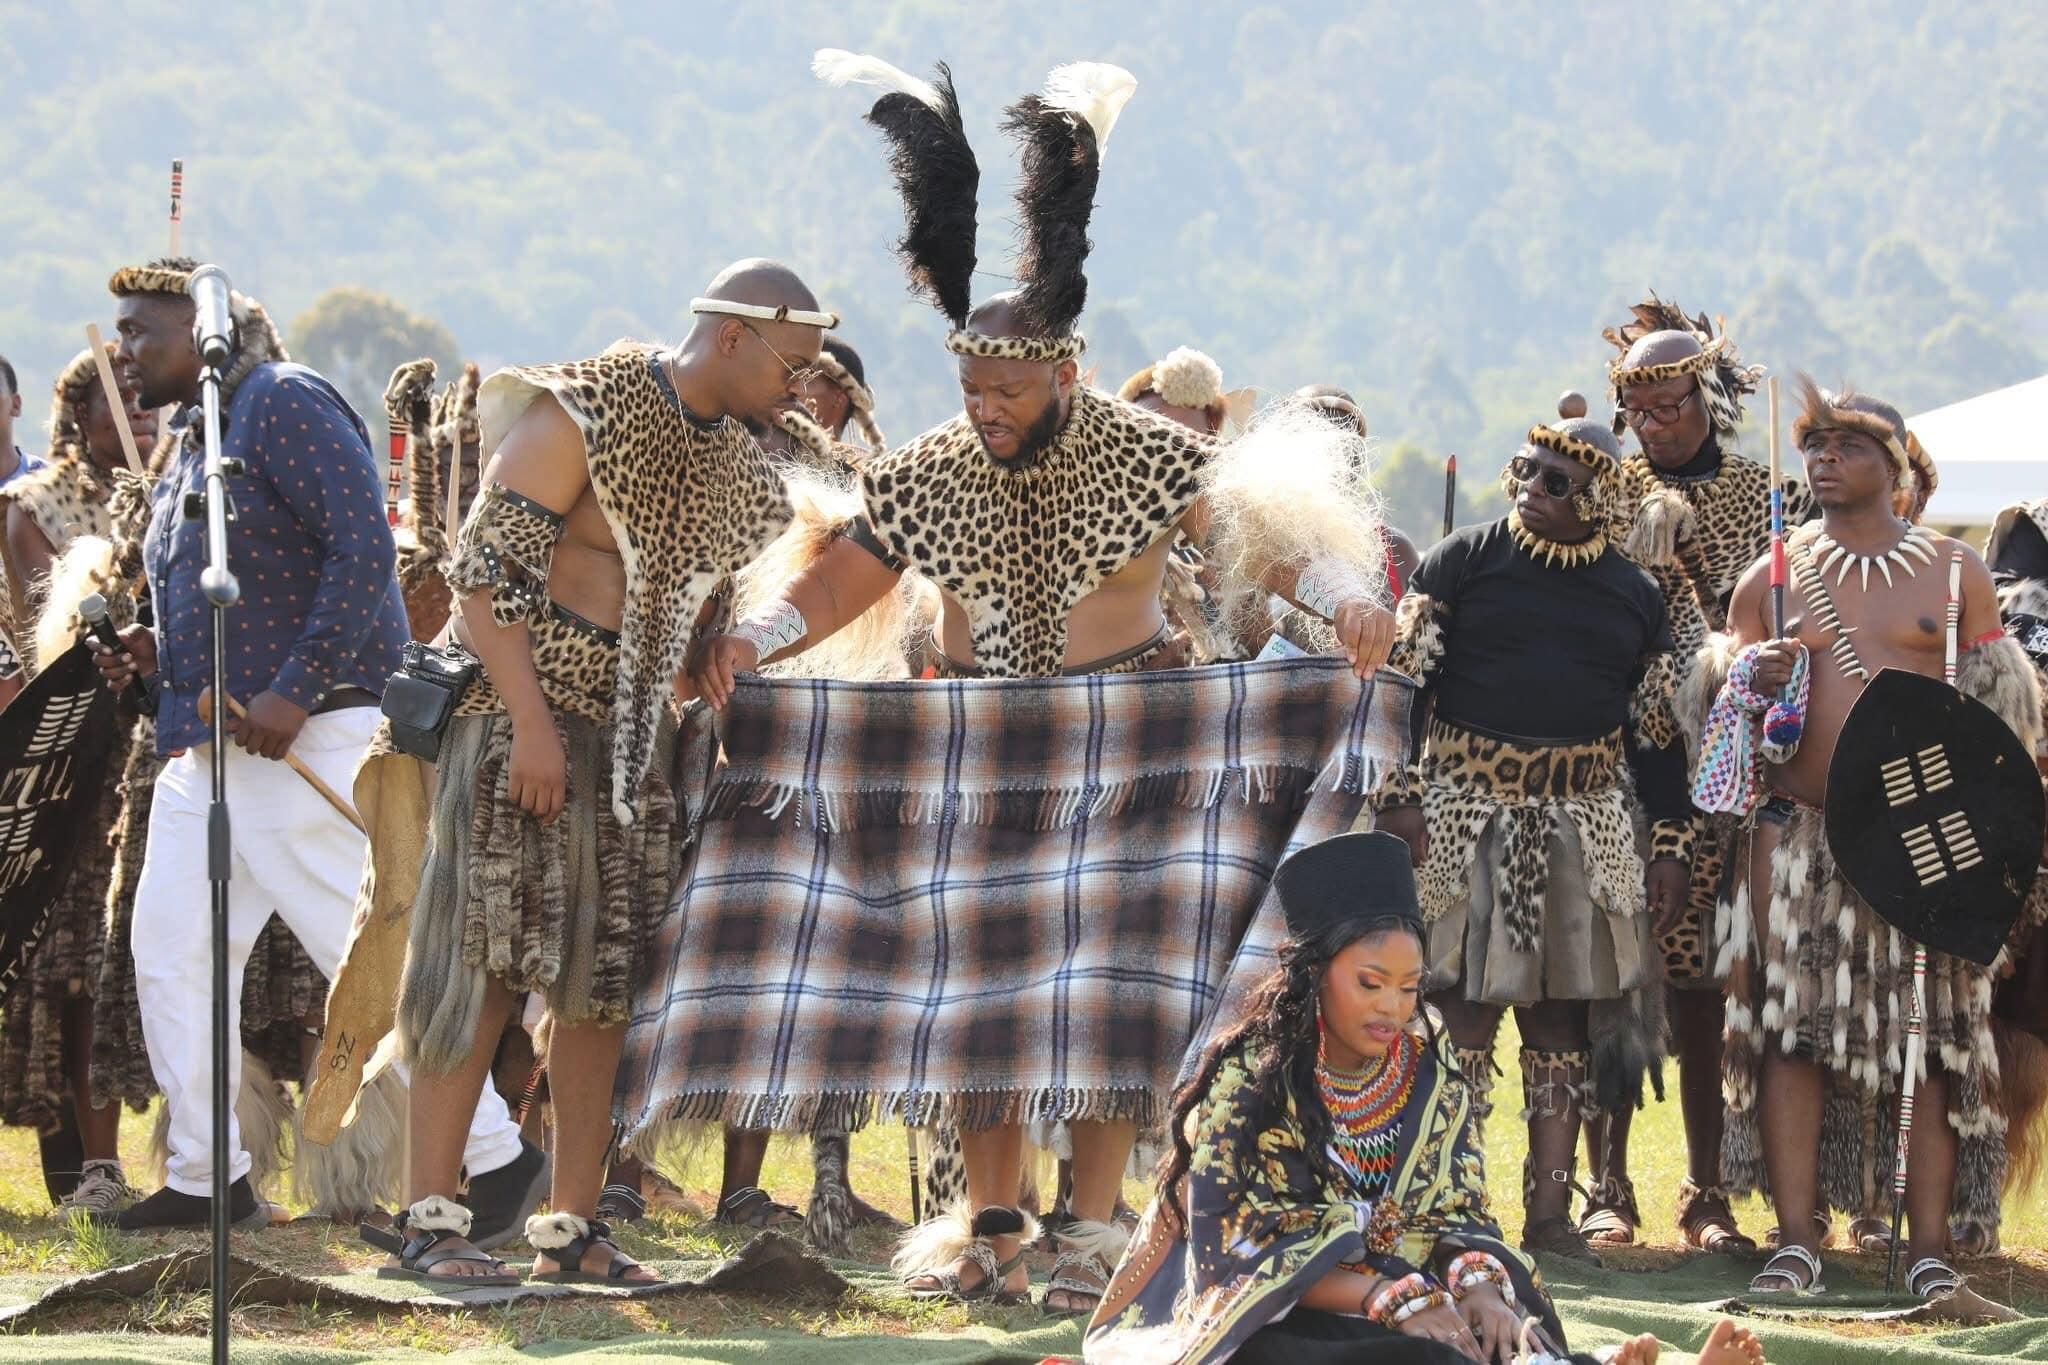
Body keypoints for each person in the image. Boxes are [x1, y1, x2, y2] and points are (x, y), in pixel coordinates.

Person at [680, 52, 1393, 1315]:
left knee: (1108, 992)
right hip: (973, 743)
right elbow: (844, 577)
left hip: (1125, 745)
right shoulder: (933, 465)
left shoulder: (1149, 457)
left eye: (1007, 389)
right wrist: (758, 635)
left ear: (1065, 373)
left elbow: (1260, 546)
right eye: (970, 389)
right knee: (981, 991)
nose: (985, 408)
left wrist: (1342, 596)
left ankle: (1096, 1227)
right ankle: (993, 1218)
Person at [358, 258, 826, 1286]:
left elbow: (687, 621)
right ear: (734, 335)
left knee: (601, 986)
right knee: (480, 963)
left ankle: (570, 1229)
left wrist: (711, 655)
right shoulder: (580, 411)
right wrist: (528, 723)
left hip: (631, 747)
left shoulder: (742, 474)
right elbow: (479, 582)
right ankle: (429, 1220)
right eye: (791, 363)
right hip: (513, 720)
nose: (800, 386)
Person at [86, 257, 532, 1232]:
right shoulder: (195, 439)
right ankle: (208, 1176)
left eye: (138, 330)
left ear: (199, 330)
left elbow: (364, 549)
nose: (123, 351)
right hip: (208, 753)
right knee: (171, 954)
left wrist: (293, 688)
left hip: (309, 737)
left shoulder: (283, 402)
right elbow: (236, 595)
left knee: (367, 958)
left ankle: (499, 1161)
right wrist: (153, 650)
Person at [1084, 830, 1770, 1365]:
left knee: (1497, 1330)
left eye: (1410, 988)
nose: (1392, 1006)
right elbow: (1239, 1249)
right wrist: (1389, 1295)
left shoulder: (1427, 1077)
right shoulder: (1248, 1084)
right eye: (1371, 982)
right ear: (1315, 975)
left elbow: (1457, 1213)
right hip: (1267, 1311)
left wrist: (1478, 1287)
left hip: (1408, 1287)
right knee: (1400, 1354)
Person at [1712, 378, 2042, 1297]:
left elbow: (2001, 724)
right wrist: (1747, 677)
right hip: (1800, 841)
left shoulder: (1954, 572)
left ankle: (1929, 1248)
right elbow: (1722, 729)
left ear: (1895, 467)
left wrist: (1982, 846)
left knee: (1928, 1040)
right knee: (1792, 1036)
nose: (1824, 459)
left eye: (1848, 446)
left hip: (1920, 838)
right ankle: (1796, 1241)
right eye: (1814, 446)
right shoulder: (1773, 579)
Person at [1374, 412, 1690, 1267]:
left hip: (1583, 821)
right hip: (1462, 813)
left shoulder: (1635, 594)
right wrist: (1400, 796)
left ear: (1602, 497)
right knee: (1460, 1010)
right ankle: (1450, 1201)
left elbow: (1657, 737)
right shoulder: (1463, 561)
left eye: (1557, 481)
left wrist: (1668, 844)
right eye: (1524, 469)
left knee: (1561, 1019)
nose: (1531, 489)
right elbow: (1401, 690)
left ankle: (1550, 1215)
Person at [1585, 299, 1798, 1252]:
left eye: (1669, 406)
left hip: (1727, 774)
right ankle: (1606, 1183)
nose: (1654, 426)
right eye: (1639, 411)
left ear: (1705, 395)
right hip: (1618, 766)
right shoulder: (1605, 489)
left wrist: (1705, 570)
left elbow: (1775, 627)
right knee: (1612, 973)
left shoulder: (1763, 495)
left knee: (1706, 984)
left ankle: (1707, 1188)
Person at [0, 344, 157, 1213]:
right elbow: (49, 637)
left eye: (146, 402)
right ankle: (92, 1166)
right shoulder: (34, 506)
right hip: (75, 760)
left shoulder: (176, 493)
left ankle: (207, 1161)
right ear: (77, 412)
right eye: (120, 403)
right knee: (78, 966)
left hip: (163, 745)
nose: (139, 418)